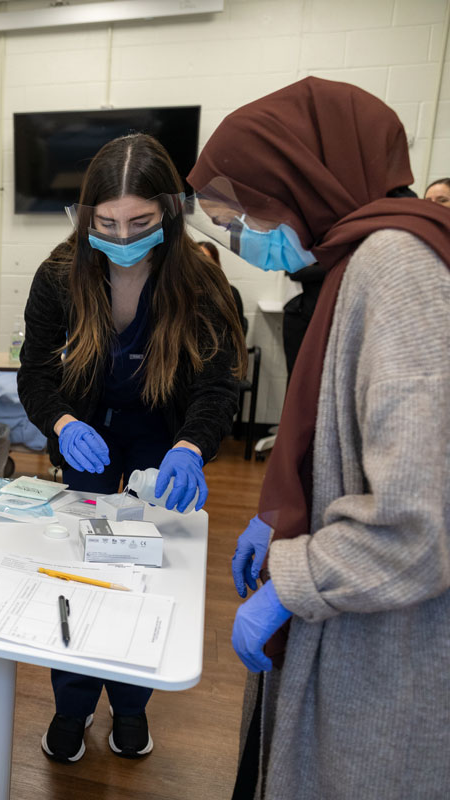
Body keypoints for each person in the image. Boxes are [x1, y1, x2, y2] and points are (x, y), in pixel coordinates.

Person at [188, 77, 450, 799]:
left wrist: (295, 583)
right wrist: (280, 514)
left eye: (241, 220)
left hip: (387, 650)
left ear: (297, 179)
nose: (241, 246)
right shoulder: (357, 262)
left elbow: (420, 522)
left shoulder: (395, 268)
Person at [17, 133, 245, 763]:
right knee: (82, 575)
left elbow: (218, 383)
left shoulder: (198, 280)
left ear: (168, 212)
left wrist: (191, 448)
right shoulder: (61, 276)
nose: (121, 237)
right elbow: (33, 372)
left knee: (141, 577)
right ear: (87, 215)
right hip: (86, 441)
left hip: (160, 447)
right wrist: (62, 423)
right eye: (107, 222)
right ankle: (71, 707)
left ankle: (132, 707)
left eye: (139, 222)